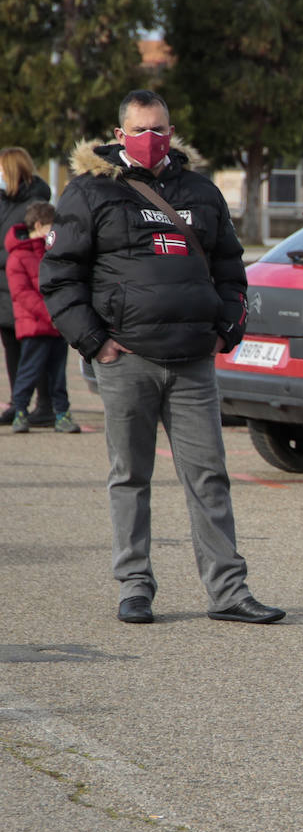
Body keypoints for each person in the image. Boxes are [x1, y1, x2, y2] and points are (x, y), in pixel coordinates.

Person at [40, 89, 284, 626]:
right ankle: (134, 586)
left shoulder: (200, 190)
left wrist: (228, 327)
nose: (153, 140)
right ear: (120, 134)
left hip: (193, 361)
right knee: (130, 476)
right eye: (142, 130)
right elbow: (58, 277)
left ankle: (228, 591)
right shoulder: (89, 192)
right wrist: (94, 341)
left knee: (209, 478)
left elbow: (230, 267)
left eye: (161, 130)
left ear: (171, 133)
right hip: (126, 360)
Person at [5, 203, 79, 434]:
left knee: (58, 376)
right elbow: (22, 294)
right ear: (38, 225)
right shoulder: (18, 256)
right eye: (50, 227)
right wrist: (52, 315)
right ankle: (20, 412)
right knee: (28, 372)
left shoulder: (53, 254)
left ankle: (62, 414)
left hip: (57, 327)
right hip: (35, 327)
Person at [0, 147, 54, 426]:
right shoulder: (3, 201)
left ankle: (44, 404)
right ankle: (17, 403)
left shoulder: (34, 204)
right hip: (5, 287)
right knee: (12, 346)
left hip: (24, 285)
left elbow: (23, 246)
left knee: (38, 348)